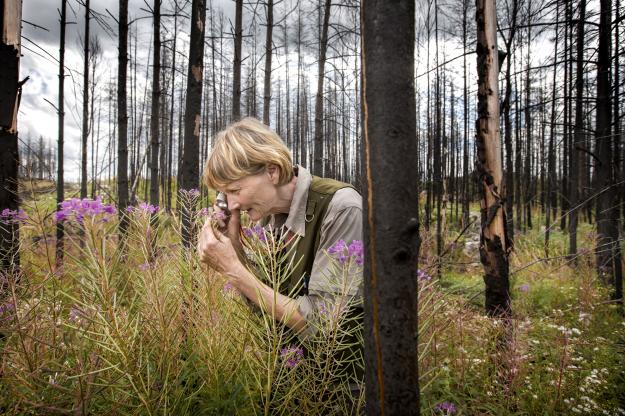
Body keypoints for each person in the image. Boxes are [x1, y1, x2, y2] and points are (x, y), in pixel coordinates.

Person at [197, 117, 363, 342]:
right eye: (225, 195)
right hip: (290, 372)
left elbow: (322, 325)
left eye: (236, 190)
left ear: (272, 172)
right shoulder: (266, 218)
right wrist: (234, 244)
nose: (232, 204)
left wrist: (232, 269)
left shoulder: (341, 209)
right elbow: (267, 308)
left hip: (342, 375)